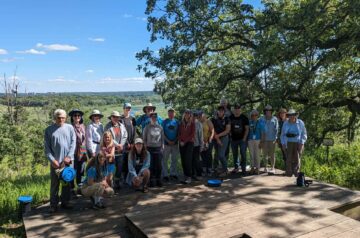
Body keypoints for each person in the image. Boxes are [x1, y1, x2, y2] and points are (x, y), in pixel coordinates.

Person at [44, 109, 76, 213]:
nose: (60, 119)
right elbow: (47, 148)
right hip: (55, 163)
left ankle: (65, 202)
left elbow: (73, 143)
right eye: (58, 117)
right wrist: (53, 160)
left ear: (65, 118)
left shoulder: (70, 128)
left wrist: (69, 157)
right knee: (55, 184)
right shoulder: (49, 130)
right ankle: (53, 205)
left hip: (67, 162)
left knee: (66, 182)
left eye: (63, 117)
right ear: (55, 118)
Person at [280, 109, 307, 177]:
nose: (291, 117)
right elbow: (282, 134)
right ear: (288, 116)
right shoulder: (285, 123)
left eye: (293, 115)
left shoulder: (300, 123)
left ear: (295, 115)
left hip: (297, 142)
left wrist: (302, 143)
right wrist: (283, 143)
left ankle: (296, 172)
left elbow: (304, 133)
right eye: (290, 115)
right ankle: (289, 172)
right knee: (288, 158)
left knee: (297, 158)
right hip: (288, 142)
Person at [104, 111, 128, 188]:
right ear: (111, 117)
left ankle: (117, 182)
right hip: (111, 150)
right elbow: (108, 137)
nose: (115, 118)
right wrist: (117, 145)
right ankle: (110, 183)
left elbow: (125, 135)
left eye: (117, 117)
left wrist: (121, 145)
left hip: (120, 150)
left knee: (119, 167)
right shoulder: (107, 126)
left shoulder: (121, 125)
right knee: (111, 167)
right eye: (114, 117)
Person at [143, 112, 164, 187]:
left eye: (155, 117)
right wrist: (145, 148)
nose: (154, 118)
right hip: (149, 148)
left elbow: (162, 138)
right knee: (151, 165)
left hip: (158, 148)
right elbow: (144, 139)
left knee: (159, 165)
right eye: (152, 117)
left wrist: (162, 147)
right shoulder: (147, 127)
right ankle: (151, 180)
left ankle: (158, 179)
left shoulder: (160, 127)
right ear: (150, 118)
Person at [229, 104, 249, 175]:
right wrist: (230, 135)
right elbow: (228, 128)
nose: (237, 110)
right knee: (235, 155)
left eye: (238, 109)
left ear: (240, 109)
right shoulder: (230, 117)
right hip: (233, 140)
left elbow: (247, 129)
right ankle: (236, 168)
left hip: (242, 140)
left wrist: (244, 138)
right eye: (235, 109)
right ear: (233, 110)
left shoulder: (244, 118)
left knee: (243, 154)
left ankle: (243, 169)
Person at [69, 109, 87, 186]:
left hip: (83, 151)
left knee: (81, 170)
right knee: (73, 170)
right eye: (75, 115)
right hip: (74, 151)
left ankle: (80, 187)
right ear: (72, 117)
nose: (77, 117)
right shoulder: (70, 127)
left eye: (79, 115)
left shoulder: (83, 126)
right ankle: (72, 188)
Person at [211, 106, 231, 177]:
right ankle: (220, 169)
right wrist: (218, 139)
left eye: (222, 111)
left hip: (224, 138)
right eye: (219, 110)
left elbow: (227, 130)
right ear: (217, 111)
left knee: (221, 155)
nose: (220, 112)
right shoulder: (213, 119)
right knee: (217, 155)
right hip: (216, 138)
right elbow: (213, 129)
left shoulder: (227, 119)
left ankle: (225, 170)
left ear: (224, 112)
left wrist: (218, 136)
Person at [162, 108, 180, 182]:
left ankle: (173, 173)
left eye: (172, 113)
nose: (171, 114)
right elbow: (162, 132)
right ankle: (165, 174)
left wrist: (175, 140)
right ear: (168, 114)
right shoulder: (164, 122)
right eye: (169, 113)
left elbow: (179, 133)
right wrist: (168, 140)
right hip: (166, 144)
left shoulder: (177, 122)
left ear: (174, 114)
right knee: (164, 160)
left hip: (175, 144)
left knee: (174, 159)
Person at [121, 102, 137, 185]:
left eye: (129, 108)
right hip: (124, 143)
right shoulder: (121, 119)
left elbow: (134, 131)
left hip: (132, 143)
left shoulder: (132, 118)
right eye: (127, 108)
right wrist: (127, 143)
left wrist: (133, 142)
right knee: (124, 161)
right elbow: (122, 132)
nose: (128, 109)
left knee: (131, 161)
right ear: (123, 108)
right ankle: (123, 179)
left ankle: (130, 178)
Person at [259, 105, 279, 173]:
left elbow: (277, 129)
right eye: (267, 110)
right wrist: (261, 139)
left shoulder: (275, 119)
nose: (268, 111)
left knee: (272, 154)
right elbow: (260, 129)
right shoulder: (261, 119)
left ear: (271, 111)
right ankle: (265, 167)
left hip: (272, 139)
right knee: (264, 154)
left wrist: (276, 138)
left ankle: (272, 167)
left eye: (269, 110)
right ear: (265, 111)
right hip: (264, 139)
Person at [179, 109, 195, 184]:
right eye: (186, 113)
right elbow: (178, 133)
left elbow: (192, 134)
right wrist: (180, 141)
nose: (187, 114)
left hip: (189, 143)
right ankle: (185, 175)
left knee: (188, 160)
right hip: (181, 143)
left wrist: (184, 142)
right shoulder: (181, 122)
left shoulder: (192, 123)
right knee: (183, 159)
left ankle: (189, 176)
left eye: (188, 113)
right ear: (184, 114)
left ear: (190, 114)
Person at [199, 111, 214, 176]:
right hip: (201, 141)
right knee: (202, 155)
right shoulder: (198, 122)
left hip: (208, 140)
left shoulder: (208, 121)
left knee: (208, 155)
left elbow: (213, 131)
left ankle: (209, 169)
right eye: (201, 116)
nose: (202, 117)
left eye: (203, 116)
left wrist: (210, 138)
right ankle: (204, 169)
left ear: (205, 116)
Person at [248, 110, 263, 175]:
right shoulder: (249, 122)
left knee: (257, 154)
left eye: (255, 115)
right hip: (250, 140)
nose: (254, 116)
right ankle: (252, 167)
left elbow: (262, 133)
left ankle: (257, 168)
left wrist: (261, 142)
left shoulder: (260, 123)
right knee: (251, 154)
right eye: (252, 115)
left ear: (257, 116)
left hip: (258, 140)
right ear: (251, 116)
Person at [192, 110, 204, 179]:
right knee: (191, 160)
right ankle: (193, 174)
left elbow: (201, 136)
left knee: (197, 160)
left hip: (197, 145)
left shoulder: (199, 124)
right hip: (190, 145)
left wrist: (201, 146)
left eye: (195, 116)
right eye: (193, 116)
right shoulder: (190, 123)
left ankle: (199, 174)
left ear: (197, 117)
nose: (194, 117)